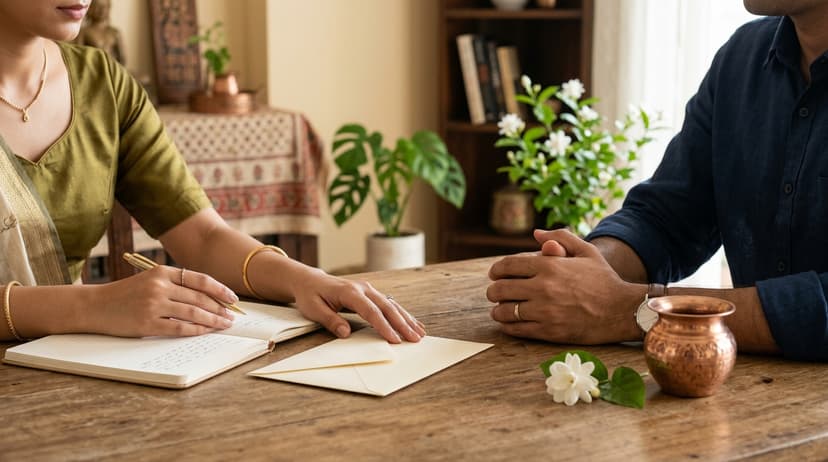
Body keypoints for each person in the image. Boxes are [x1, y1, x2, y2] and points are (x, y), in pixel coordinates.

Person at [0, 0, 424, 345]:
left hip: (67, 369)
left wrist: (303, 279)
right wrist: (95, 306)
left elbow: (202, 237)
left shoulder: (103, 84)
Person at [486, 0, 828, 361]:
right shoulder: (741, 59)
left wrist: (634, 310)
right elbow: (667, 217)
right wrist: (586, 267)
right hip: (748, 395)